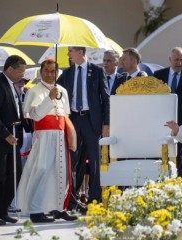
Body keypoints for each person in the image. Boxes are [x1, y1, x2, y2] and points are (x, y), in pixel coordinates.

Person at [17, 59, 77, 222]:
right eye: (46, 71)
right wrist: (48, 99)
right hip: (43, 136)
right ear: (41, 72)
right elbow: (34, 115)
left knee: (60, 171)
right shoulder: (34, 91)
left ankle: (59, 208)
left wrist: (71, 135)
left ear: (57, 73)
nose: (50, 74)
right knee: (42, 169)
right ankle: (36, 211)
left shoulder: (62, 90)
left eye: (53, 71)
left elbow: (66, 115)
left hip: (60, 135)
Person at [58, 47, 110, 211]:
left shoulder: (96, 71)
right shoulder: (66, 73)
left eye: (71, 51)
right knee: (73, 162)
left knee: (94, 162)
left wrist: (106, 123)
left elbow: (106, 98)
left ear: (80, 52)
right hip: (73, 120)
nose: (68, 54)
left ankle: (94, 200)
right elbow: (56, 93)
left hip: (91, 121)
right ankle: (72, 201)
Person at [153, 47, 182, 176]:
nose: (179, 63)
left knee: (181, 155)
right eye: (176, 59)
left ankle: (180, 179)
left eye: (181, 60)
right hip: (162, 122)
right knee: (162, 153)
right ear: (170, 59)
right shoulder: (158, 76)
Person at [0, 55, 27, 225]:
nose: (22, 75)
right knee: (1, 177)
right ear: (10, 69)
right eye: (20, 71)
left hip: (14, 138)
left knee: (14, 175)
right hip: (3, 140)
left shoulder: (11, 85)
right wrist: (5, 134)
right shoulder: (0, 84)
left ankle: (3, 210)